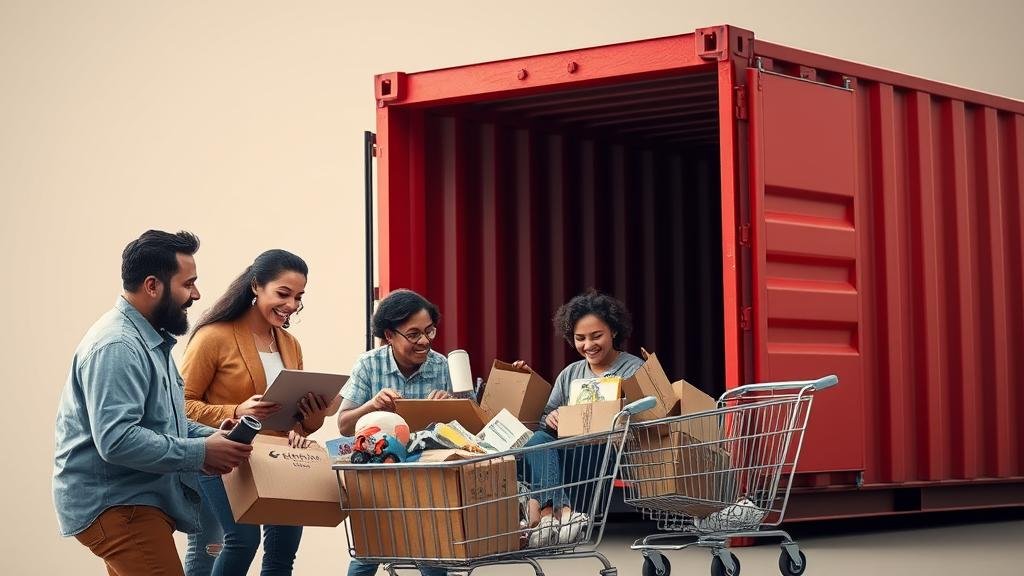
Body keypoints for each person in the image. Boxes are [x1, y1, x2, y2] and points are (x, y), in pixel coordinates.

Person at [53, 230, 253, 576]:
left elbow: (164, 421)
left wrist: (212, 434)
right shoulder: (118, 346)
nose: (196, 294)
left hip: (133, 501)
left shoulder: (149, 340)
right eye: (188, 284)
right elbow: (116, 440)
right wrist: (202, 453)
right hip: (118, 504)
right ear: (152, 286)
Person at [182, 249, 335, 576]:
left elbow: (300, 424)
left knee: (283, 553)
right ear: (255, 286)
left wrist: (312, 415)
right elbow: (181, 405)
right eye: (283, 294)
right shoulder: (213, 337)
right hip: (225, 456)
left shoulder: (290, 344)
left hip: (277, 459)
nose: (292, 305)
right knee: (241, 539)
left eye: (298, 297)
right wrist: (237, 409)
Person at [513, 290, 644, 547]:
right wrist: (553, 416)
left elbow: (644, 418)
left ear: (614, 332)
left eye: (597, 336)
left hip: (601, 456)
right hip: (566, 460)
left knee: (540, 445)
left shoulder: (634, 369)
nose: (588, 345)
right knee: (538, 438)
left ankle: (542, 513)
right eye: (580, 338)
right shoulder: (570, 373)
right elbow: (543, 425)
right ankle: (560, 512)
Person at [337, 288, 451, 576]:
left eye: (429, 331)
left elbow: (472, 428)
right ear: (390, 335)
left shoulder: (442, 365)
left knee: (433, 551)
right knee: (370, 552)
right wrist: (372, 405)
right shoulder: (368, 364)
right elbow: (344, 425)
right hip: (380, 476)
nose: (424, 341)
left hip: (425, 477)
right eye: (413, 334)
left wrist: (450, 409)